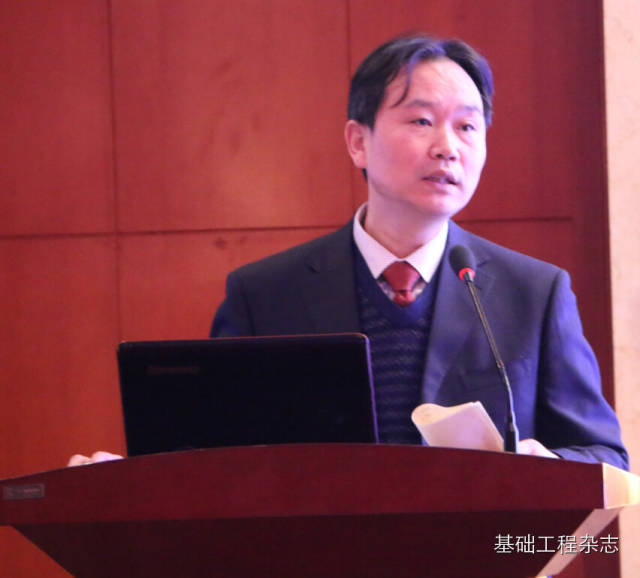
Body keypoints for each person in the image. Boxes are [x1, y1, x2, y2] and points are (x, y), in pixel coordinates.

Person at [71, 33, 627, 469]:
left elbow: (605, 455)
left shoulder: (534, 292)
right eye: (422, 121)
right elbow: (212, 460)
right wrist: (129, 479)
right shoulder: (264, 295)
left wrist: (545, 466)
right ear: (358, 141)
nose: (448, 147)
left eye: (467, 126)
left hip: (484, 557)